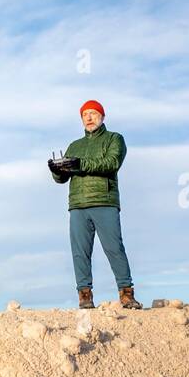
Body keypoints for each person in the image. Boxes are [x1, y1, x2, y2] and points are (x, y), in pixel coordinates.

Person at [48, 100, 142, 309]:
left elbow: (111, 163)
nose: (89, 118)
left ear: (102, 116)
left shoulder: (114, 139)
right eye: (85, 115)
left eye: (93, 113)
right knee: (80, 252)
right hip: (77, 204)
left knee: (114, 248)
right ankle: (85, 297)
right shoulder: (75, 145)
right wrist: (56, 170)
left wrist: (80, 164)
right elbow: (62, 179)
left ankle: (126, 293)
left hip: (104, 201)